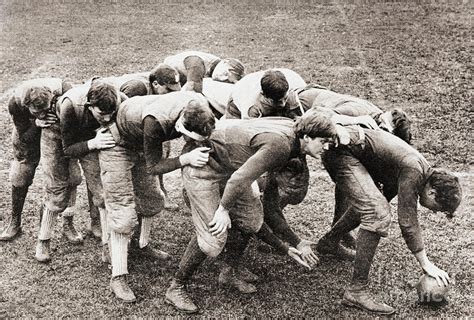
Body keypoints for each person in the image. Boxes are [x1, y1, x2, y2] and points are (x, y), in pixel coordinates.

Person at [294, 109, 462, 314]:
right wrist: (426, 264)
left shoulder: (414, 169)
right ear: (433, 192)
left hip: (347, 150)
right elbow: (408, 221)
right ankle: (356, 291)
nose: (435, 213)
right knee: (377, 213)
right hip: (342, 152)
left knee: (373, 207)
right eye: (439, 208)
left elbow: (379, 202)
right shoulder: (415, 171)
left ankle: (329, 242)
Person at [165, 116, 339, 313]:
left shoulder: (294, 140)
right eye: (323, 142)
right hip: (203, 163)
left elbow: (269, 208)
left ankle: (229, 272)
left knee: (251, 219)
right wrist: (223, 210)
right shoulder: (281, 146)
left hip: (228, 167)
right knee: (213, 235)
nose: (325, 148)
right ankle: (176, 287)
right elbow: (239, 179)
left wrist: (291, 245)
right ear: (307, 137)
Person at [97, 90, 214, 302]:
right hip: (117, 143)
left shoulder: (199, 106)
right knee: (122, 211)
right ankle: (118, 275)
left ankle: (141, 245)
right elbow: (154, 167)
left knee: (152, 200)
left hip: (141, 140)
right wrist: (185, 158)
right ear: (180, 124)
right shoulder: (155, 122)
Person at [0, 78, 91, 243]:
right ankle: (15, 221)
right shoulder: (16, 103)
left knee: (71, 175)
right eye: (37, 110)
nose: (42, 113)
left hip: (57, 131)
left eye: (45, 109)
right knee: (21, 174)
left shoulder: (65, 91)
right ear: (27, 105)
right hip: (29, 130)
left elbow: (72, 123)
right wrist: (36, 122)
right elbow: (25, 137)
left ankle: (68, 223)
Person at [224, 69, 306, 119]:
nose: (283, 104)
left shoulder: (294, 81)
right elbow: (248, 130)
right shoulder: (250, 104)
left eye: (285, 98)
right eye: (277, 101)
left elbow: (301, 116)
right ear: (263, 94)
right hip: (236, 104)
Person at [164, 50, 244, 85]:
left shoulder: (213, 67)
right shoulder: (197, 63)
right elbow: (192, 93)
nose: (223, 79)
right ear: (225, 62)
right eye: (226, 73)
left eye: (227, 81)